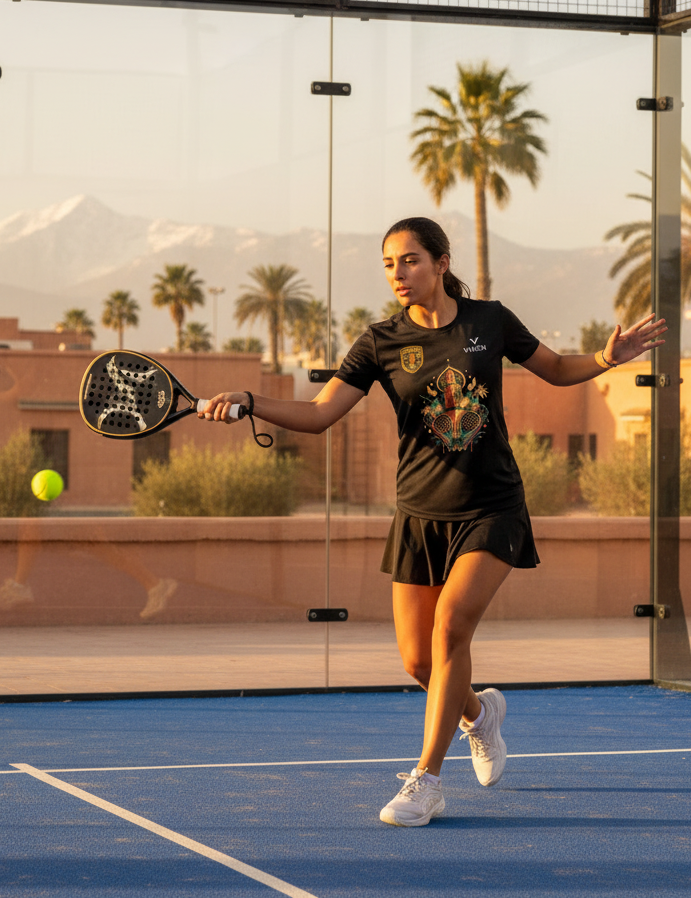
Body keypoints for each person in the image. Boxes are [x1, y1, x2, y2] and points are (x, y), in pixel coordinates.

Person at [200, 216, 665, 827]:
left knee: (451, 631)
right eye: (390, 264)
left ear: (442, 264)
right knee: (419, 663)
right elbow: (319, 416)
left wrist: (608, 356)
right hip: (419, 513)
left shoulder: (488, 320)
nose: (399, 273)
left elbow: (553, 368)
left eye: (411, 260)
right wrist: (251, 400)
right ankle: (480, 714)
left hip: (492, 508)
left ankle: (426, 780)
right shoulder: (378, 342)